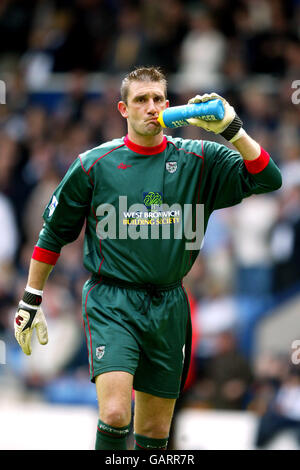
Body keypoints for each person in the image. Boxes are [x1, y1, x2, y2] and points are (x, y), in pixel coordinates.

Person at [14, 66, 282, 450]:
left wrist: (232, 129)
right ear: (124, 109)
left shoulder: (199, 159)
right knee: (116, 414)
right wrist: (31, 297)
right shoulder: (94, 164)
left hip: (171, 303)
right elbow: (52, 234)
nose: (151, 107)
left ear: (169, 106)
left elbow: (268, 179)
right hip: (112, 301)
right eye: (141, 100)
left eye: (158, 99)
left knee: (155, 435)